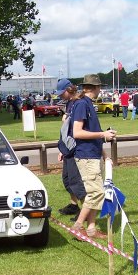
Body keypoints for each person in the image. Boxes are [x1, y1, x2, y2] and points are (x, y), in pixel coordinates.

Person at [70, 74, 116, 240]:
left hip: (94, 155)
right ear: (96, 88)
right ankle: (77, 226)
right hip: (86, 156)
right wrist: (103, 133)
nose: (100, 90)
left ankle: (91, 229)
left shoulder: (87, 104)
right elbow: (77, 132)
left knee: (95, 192)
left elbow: (93, 134)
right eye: (99, 87)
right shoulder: (82, 104)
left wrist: (104, 154)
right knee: (96, 193)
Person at [55, 78, 86, 221]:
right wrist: (61, 148)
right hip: (67, 149)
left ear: (69, 89)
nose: (60, 96)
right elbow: (65, 130)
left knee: (76, 181)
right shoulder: (69, 104)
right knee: (67, 180)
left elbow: (77, 129)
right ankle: (74, 205)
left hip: (76, 150)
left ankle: (85, 211)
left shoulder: (79, 104)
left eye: (62, 93)